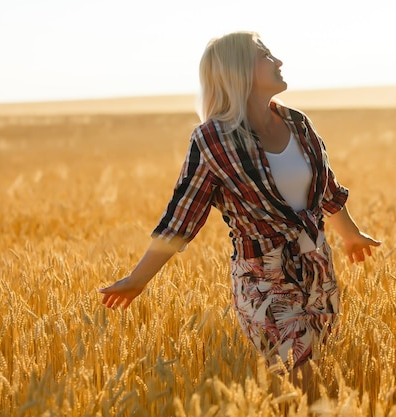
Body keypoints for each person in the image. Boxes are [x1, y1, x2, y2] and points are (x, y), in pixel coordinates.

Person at [99, 31, 381, 395]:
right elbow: (181, 219)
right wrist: (138, 279)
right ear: (239, 71)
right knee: (301, 381)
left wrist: (350, 234)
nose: (279, 62)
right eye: (266, 56)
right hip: (263, 280)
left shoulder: (298, 123)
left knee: (311, 384)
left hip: (318, 270)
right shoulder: (212, 140)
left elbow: (325, 189)